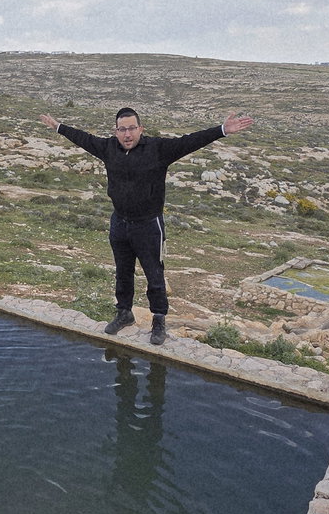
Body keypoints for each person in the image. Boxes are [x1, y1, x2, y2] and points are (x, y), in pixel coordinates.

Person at [39, 106, 255, 345]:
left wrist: (222, 130)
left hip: (149, 225)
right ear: (116, 131)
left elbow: (190, 141)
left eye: (132, 128)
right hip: (119, 222)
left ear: (141, 129)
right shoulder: (108, 148)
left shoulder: (158, 149)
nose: (127, 134)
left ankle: (159, 319)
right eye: (122, 129)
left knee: (154, 275)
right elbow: (83, 138)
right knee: (123, 272)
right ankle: (124, 313)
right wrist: (58, 127)